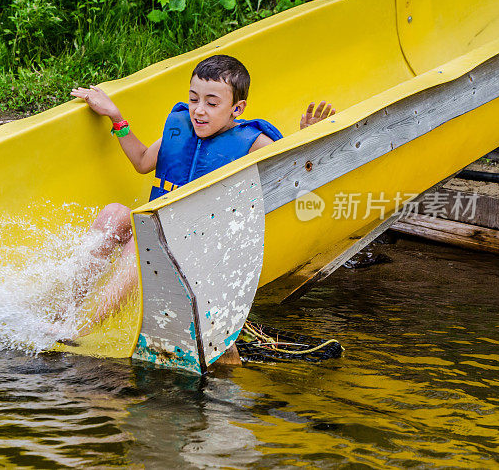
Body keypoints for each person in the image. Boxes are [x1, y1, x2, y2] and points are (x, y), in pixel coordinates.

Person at [68, 55, 335, 347]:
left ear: (237, 108)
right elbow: (143, 161)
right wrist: (115, 116)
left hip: (202, 251)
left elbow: (291, 179)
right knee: (115, 214)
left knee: (143, 239)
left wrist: (309, 140)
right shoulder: (180, 128)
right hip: (161, 235)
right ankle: (62, 311)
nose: (199, 110)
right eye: (194, 99)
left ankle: (80, 329)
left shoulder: (253, 142)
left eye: (211, 103)